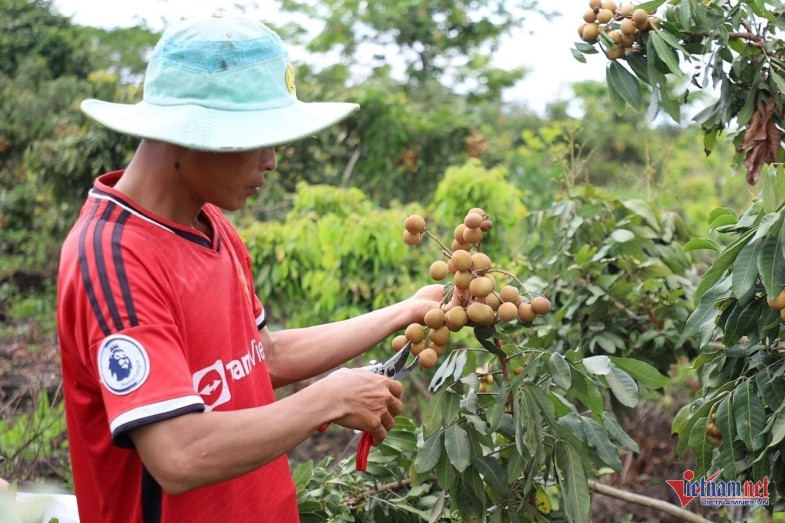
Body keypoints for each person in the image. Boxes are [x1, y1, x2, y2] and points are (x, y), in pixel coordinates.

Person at [56, 14, 443, 523]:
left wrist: (405, 311)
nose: (271, 160)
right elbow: (178, 453)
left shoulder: (210, 224)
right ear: (191, 131)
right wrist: (325, 401)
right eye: (258, 137)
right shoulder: (112, 259)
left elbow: (261, 355)